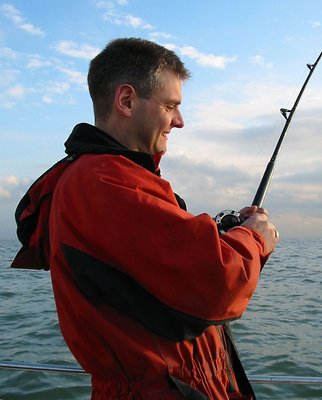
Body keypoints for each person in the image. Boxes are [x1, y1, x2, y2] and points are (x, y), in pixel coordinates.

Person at [12, 37, 279, 399]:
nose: (180, 121)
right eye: (170, 105)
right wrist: (256, 236)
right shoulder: (105, 182)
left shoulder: (115, 179)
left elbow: (154, 278)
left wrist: (224, 234)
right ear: (126, 100)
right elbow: (217, 282)